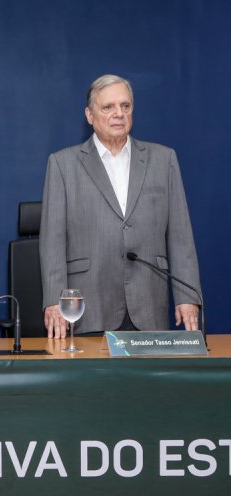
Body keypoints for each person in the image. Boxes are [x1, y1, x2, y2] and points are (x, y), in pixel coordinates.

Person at [40, 74, 201, 337]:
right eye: (108, 107)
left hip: (149, 304)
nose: (119, 114)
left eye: (125, 106)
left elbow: (181, 236)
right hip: (88, 307)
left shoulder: (163, 159)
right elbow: (52, 241)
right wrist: (54, 300)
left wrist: (187, 295)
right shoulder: (62, 164)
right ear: (89, 115)